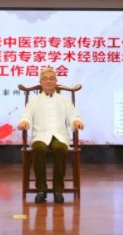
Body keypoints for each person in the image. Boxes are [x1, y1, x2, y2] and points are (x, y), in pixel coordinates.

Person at [17, 68, 84, 203]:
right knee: (38, 149)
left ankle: (58, 190)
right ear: (41, 82)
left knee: (60, 149)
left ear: (56, 81)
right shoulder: (34, 101)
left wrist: (76, 121)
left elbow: (73, 115)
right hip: (40, 135)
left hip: (59, 135)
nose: (48, 81)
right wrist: (24, 122)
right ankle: (41, 190)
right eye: (45, 79)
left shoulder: (64, 100)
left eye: (51, 78)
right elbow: (26, 116)